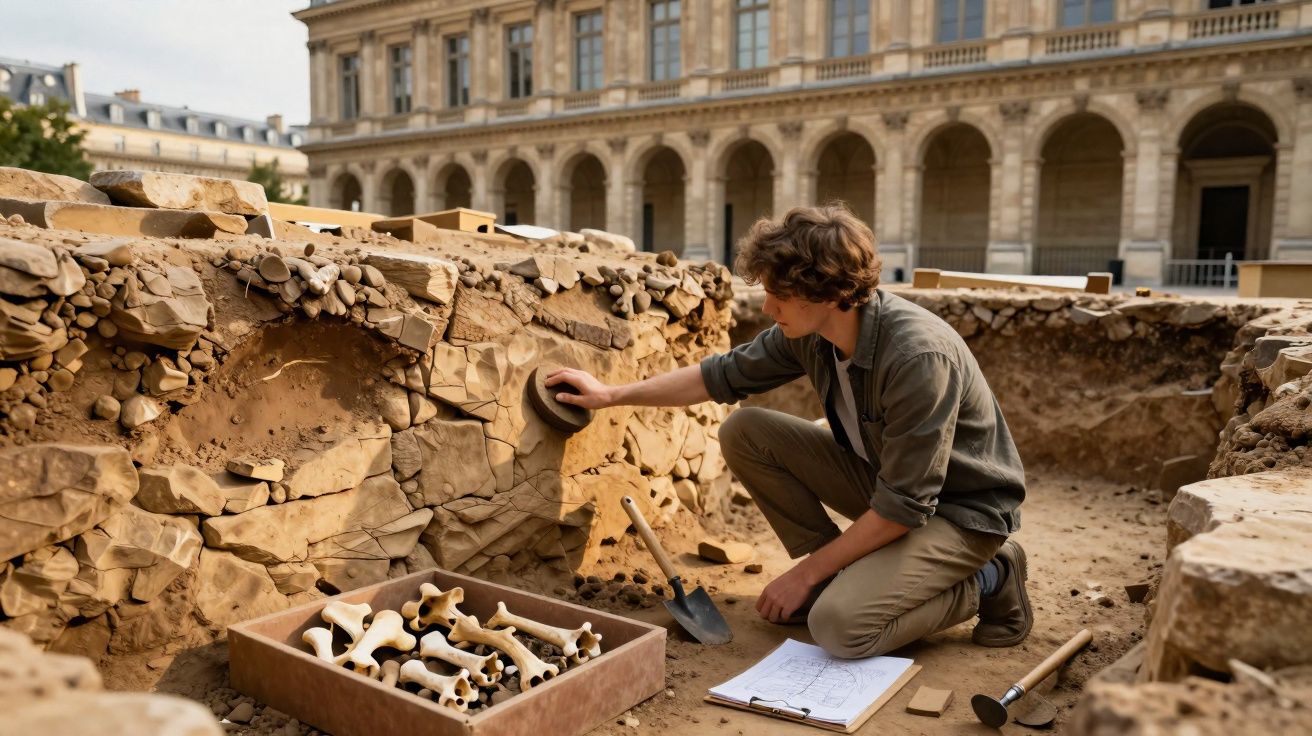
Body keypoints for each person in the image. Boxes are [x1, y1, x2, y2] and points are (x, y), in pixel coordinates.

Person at [545, 204, 1031, 659]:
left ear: (834, 293)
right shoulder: (813, 332)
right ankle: (839, 576)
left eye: (781, 294)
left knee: (840, 629)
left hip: (961, 513)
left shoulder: (917, 359)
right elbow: (717, 376)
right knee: (746, 430)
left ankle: (991, 576)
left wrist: (804, 574)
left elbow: (904, 506)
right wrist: (610, 394)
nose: (767, 304)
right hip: (893, 489)